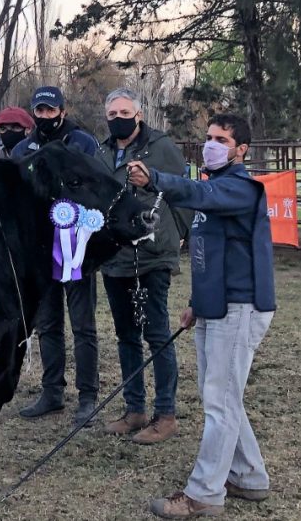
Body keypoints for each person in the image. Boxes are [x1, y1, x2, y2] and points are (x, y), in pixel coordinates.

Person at [125, 114, 277, 519]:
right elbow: (210, 254)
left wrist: (155, 178)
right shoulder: (215, 189)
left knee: (220, 402)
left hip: (240, 307)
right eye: (209, 137)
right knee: (224, 397)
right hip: (215, 306)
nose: (211, 144)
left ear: (241, 149)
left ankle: (205, 492)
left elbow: (196, 194)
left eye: (221, 139)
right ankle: (248, 476)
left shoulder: (241, 189)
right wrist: (196, 302)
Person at [96, 88, 191, 444]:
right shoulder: (102, 152)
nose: (118, 117)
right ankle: (134, 409)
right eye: (112, 112)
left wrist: (177, 234)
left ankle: (165, 415)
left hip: (152, 257)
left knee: (156, 334)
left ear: (138, 115)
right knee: (125, 336)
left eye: (124, 111)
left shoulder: (161, 147)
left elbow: (183, 193)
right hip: (115, 257)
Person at [16, 92, 102, 428]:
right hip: (40, 249)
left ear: (63, 111)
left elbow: (97, 185)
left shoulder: (82, 142)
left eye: (50, 108)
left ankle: (88, 396)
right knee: (47, 324)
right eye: (39, 109)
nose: (45, 114)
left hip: (76, 247)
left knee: (83, 326)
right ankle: (52, 391)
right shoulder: (24, 149)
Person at [11, 86, 99, 158]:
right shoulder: (21, 150)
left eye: (51, 110)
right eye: (39, 110)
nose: (44, 116)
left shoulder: (84, 143)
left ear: (62, 113)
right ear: (33, 113)